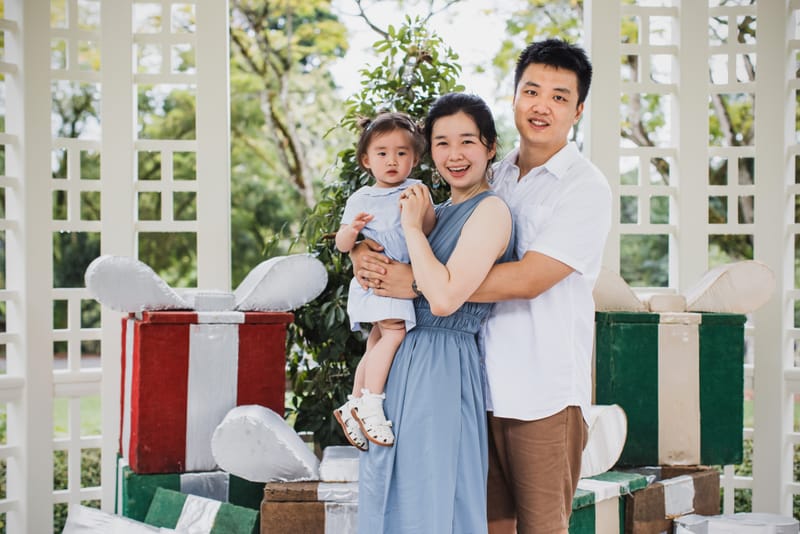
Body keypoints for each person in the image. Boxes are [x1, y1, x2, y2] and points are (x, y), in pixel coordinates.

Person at [352, 39, 612, 534]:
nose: (542, 105)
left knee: (542, 527)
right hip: (475, 384)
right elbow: (420, 238)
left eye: (559, 96)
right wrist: (363, 251)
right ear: (513, 98)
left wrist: (420, 285)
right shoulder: (495, 173)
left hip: (543, 391)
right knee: (479, 521)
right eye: (531, 91)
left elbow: (531, 278)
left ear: (578, 109)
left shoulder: (585, 187)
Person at [358, 92, 514, 533]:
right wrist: (361, 256)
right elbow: (384, 262)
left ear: (490, 147)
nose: (454, 154)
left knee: (432, 494)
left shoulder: (491, 211)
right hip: (397, 361)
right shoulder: (436, 212)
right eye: (442, 143)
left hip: (441, 365)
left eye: (467, 141)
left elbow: (445, 299)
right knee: (387, 488)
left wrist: (409, 229)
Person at [333, 112, 434, 451]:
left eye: (402, 153)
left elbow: (429, 227)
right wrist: (352, 234)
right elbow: (343, 245)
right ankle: (371, 402)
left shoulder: (416, 191)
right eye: (382, 153)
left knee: (376, 339)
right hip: (377, 281)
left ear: (415, 158)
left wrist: (422, 207)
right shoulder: (360, 199)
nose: (392, 160)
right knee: (394, 333)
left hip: (393, 279)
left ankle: (353, 404)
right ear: (366, 160)